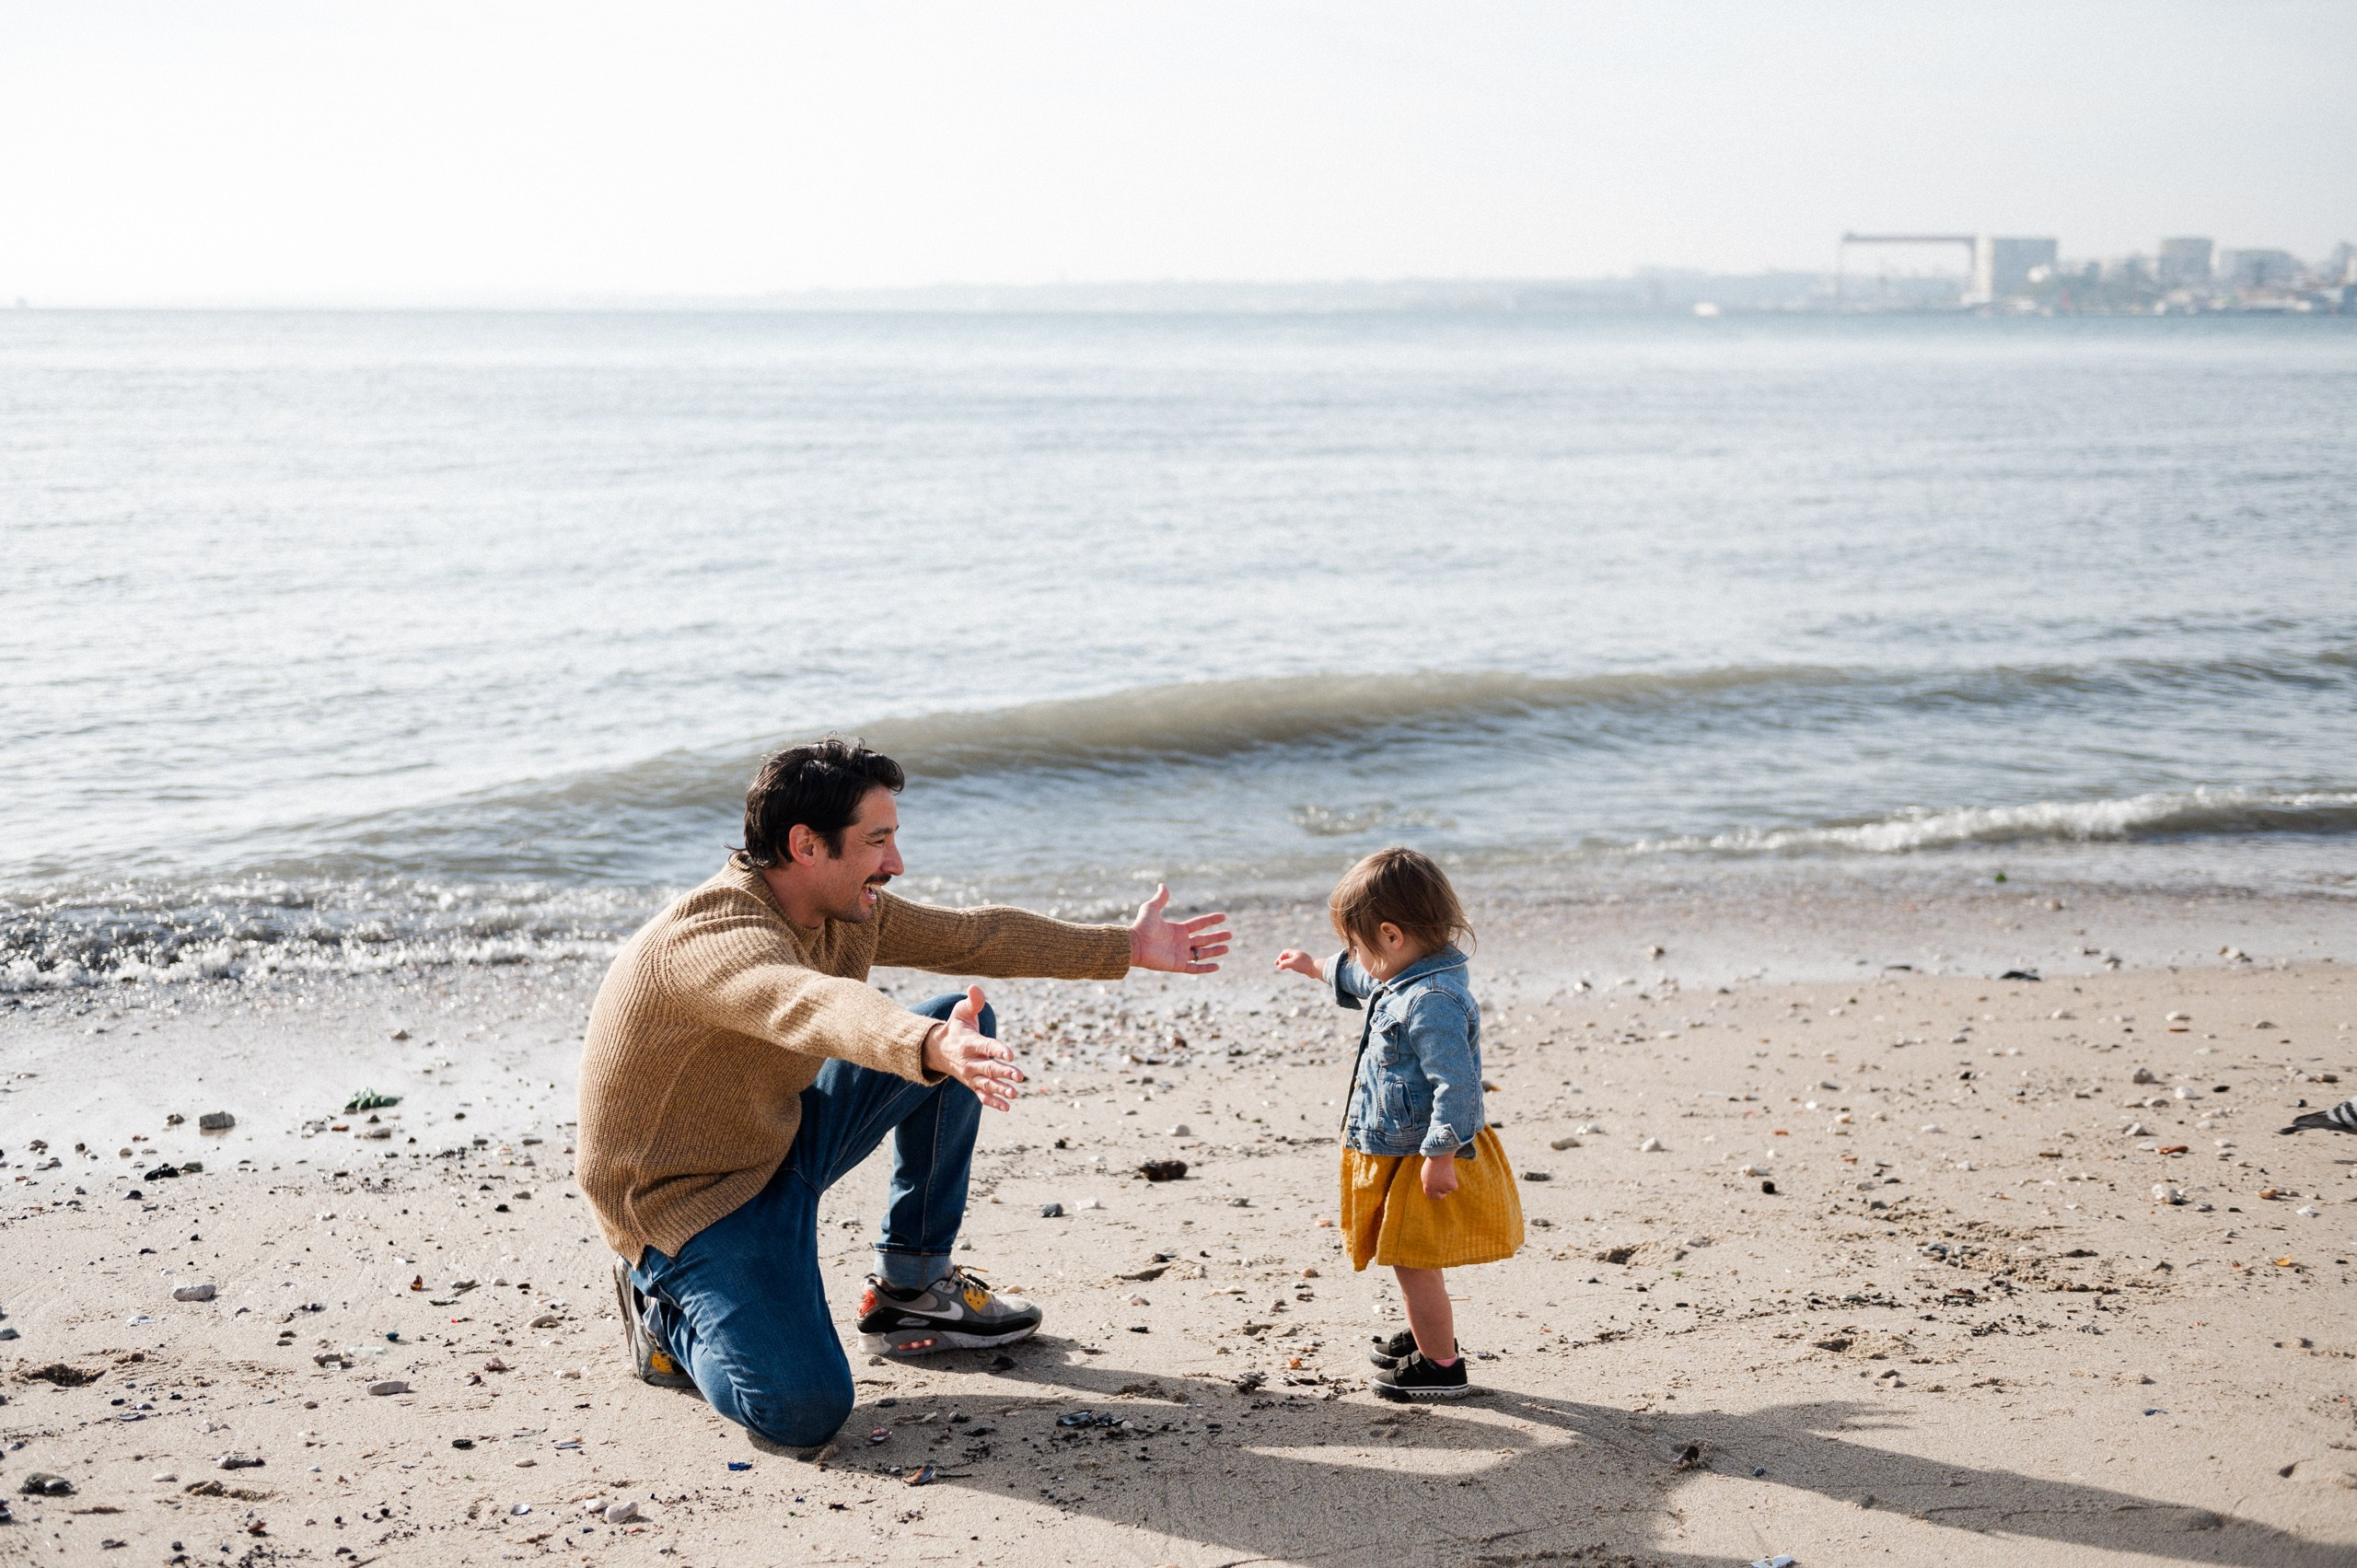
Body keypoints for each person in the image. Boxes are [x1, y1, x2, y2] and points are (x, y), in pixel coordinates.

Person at [576, 737, 1229, 1448]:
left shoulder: (840, 907)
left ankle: (912, 1289)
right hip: (687, 1199)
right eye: (877, 840)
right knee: (804, 1410)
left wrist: (1124, 948)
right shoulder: (713, 939)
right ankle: (661, 1313)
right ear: (805, 844)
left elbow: (974, 937)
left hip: (777, 1133)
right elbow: (813, 1003)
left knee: (960, 1018)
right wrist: (925, 1045)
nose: (895, 862)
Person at [1276, 846, 1522, 1401]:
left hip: (1421, 1153)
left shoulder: (1432, 1000)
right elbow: (1362, 982)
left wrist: (1440, 1156)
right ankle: (1425, 1339)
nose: (1355, 960)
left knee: (1411, 1259)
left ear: (1391, 937)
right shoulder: (1403, 975)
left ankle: (1440, 1364)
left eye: (1356, 948)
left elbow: (1455, 1088)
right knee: (1404, 1254)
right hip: (1400, 1146)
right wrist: (1312, 965)